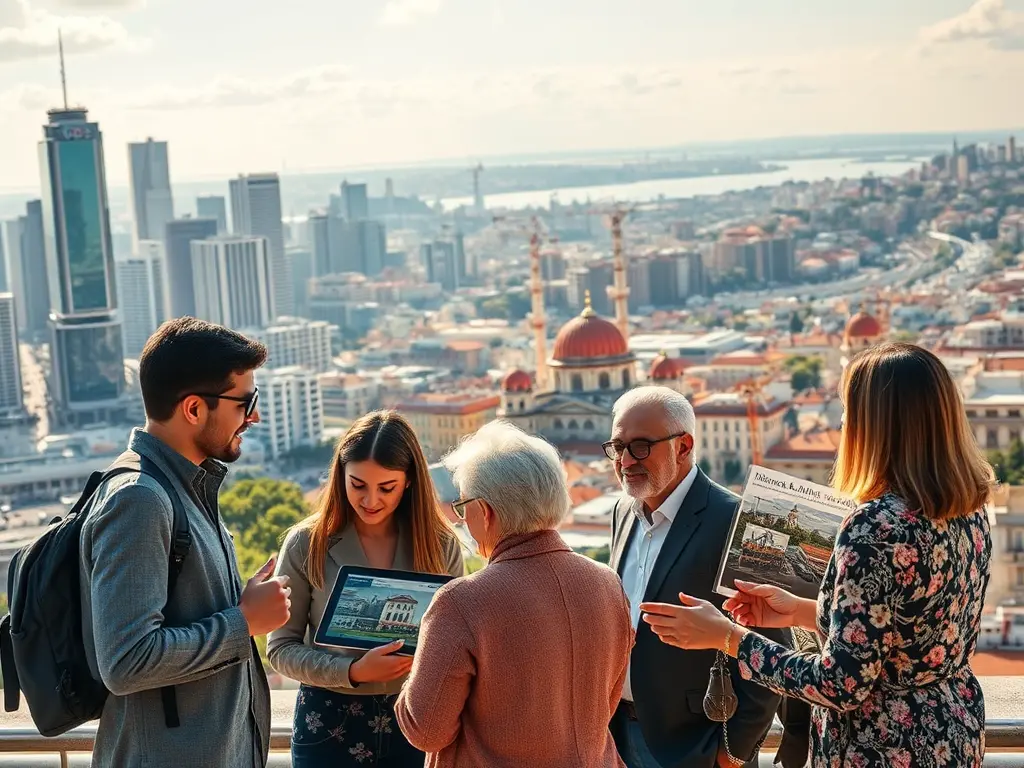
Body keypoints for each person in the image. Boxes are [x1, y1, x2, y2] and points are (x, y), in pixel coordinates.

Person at [640, 342, 994, 768]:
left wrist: (727, 638)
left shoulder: (874, 527)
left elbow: (839, 683)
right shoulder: (967, 509)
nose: (842, 422)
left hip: (881, 745)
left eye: (849, 410)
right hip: (952, 728)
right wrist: (803, 612)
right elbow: (905, 630)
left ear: (876, 425)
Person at [79, 317, 290, 768]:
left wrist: (236, 600)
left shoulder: (183, 486)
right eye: (245, 402)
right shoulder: (140, 499)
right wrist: (244, 621)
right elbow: (127, 660)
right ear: (193, 409)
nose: (254, 416)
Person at [394, 421, 633, 767]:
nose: (462, 520)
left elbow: (426, 730)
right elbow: (604, 705)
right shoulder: (608, 584)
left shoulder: (461, 602)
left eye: (462, 508)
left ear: (486, 511)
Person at [269, 410, 463, 768]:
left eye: (386, 488)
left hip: (415, 718)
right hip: (327, 721)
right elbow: (281, 649)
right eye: (357, 485)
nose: (370, 500)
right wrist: (352, 672)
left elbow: (454, 645)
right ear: (339, 475)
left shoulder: (441, 545)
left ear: (408, 482)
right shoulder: (305, 543)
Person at [606, 385, 787, 768]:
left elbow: (771, 648)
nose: (625, 460)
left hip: (696, 746)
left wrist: (732, 753)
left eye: (640, 446)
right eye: (618, 446)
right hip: (619, 737)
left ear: (684, 446)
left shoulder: (742, 521)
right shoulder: (622, 511)